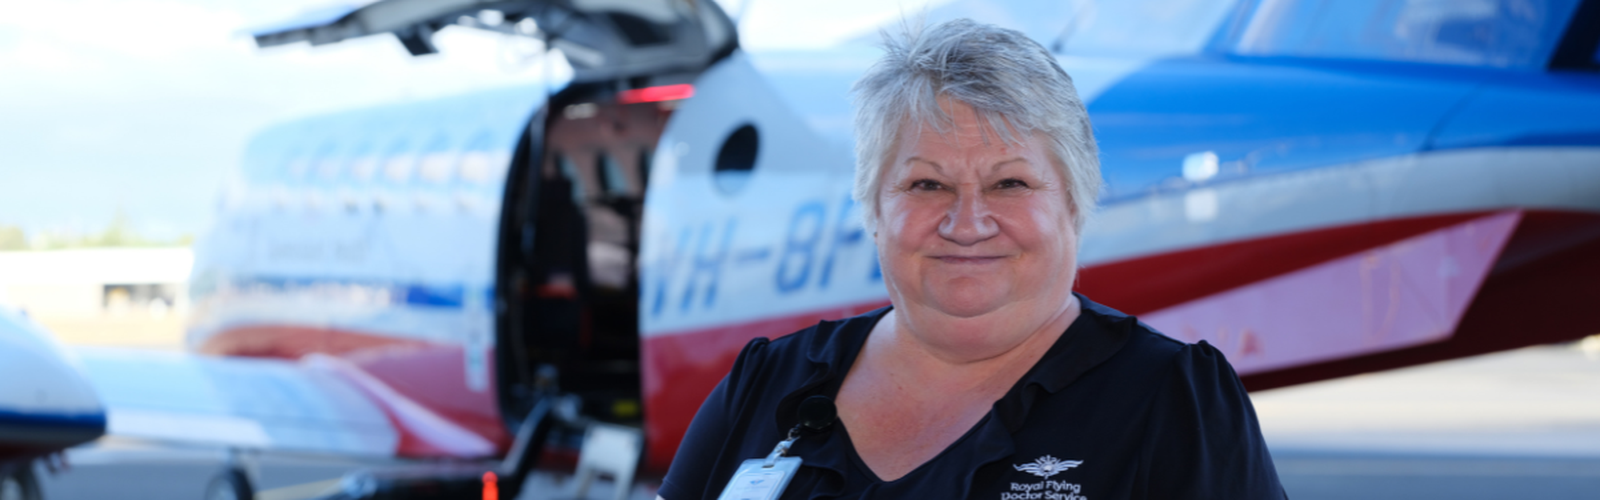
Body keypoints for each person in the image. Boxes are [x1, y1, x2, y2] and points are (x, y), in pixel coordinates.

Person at [659, 19, 1285, 500]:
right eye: (927, 185)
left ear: (1074, 203)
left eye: (1010, 184)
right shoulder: (766, 386)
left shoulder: (1171, 399)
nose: (967, 224)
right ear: (874, 209)